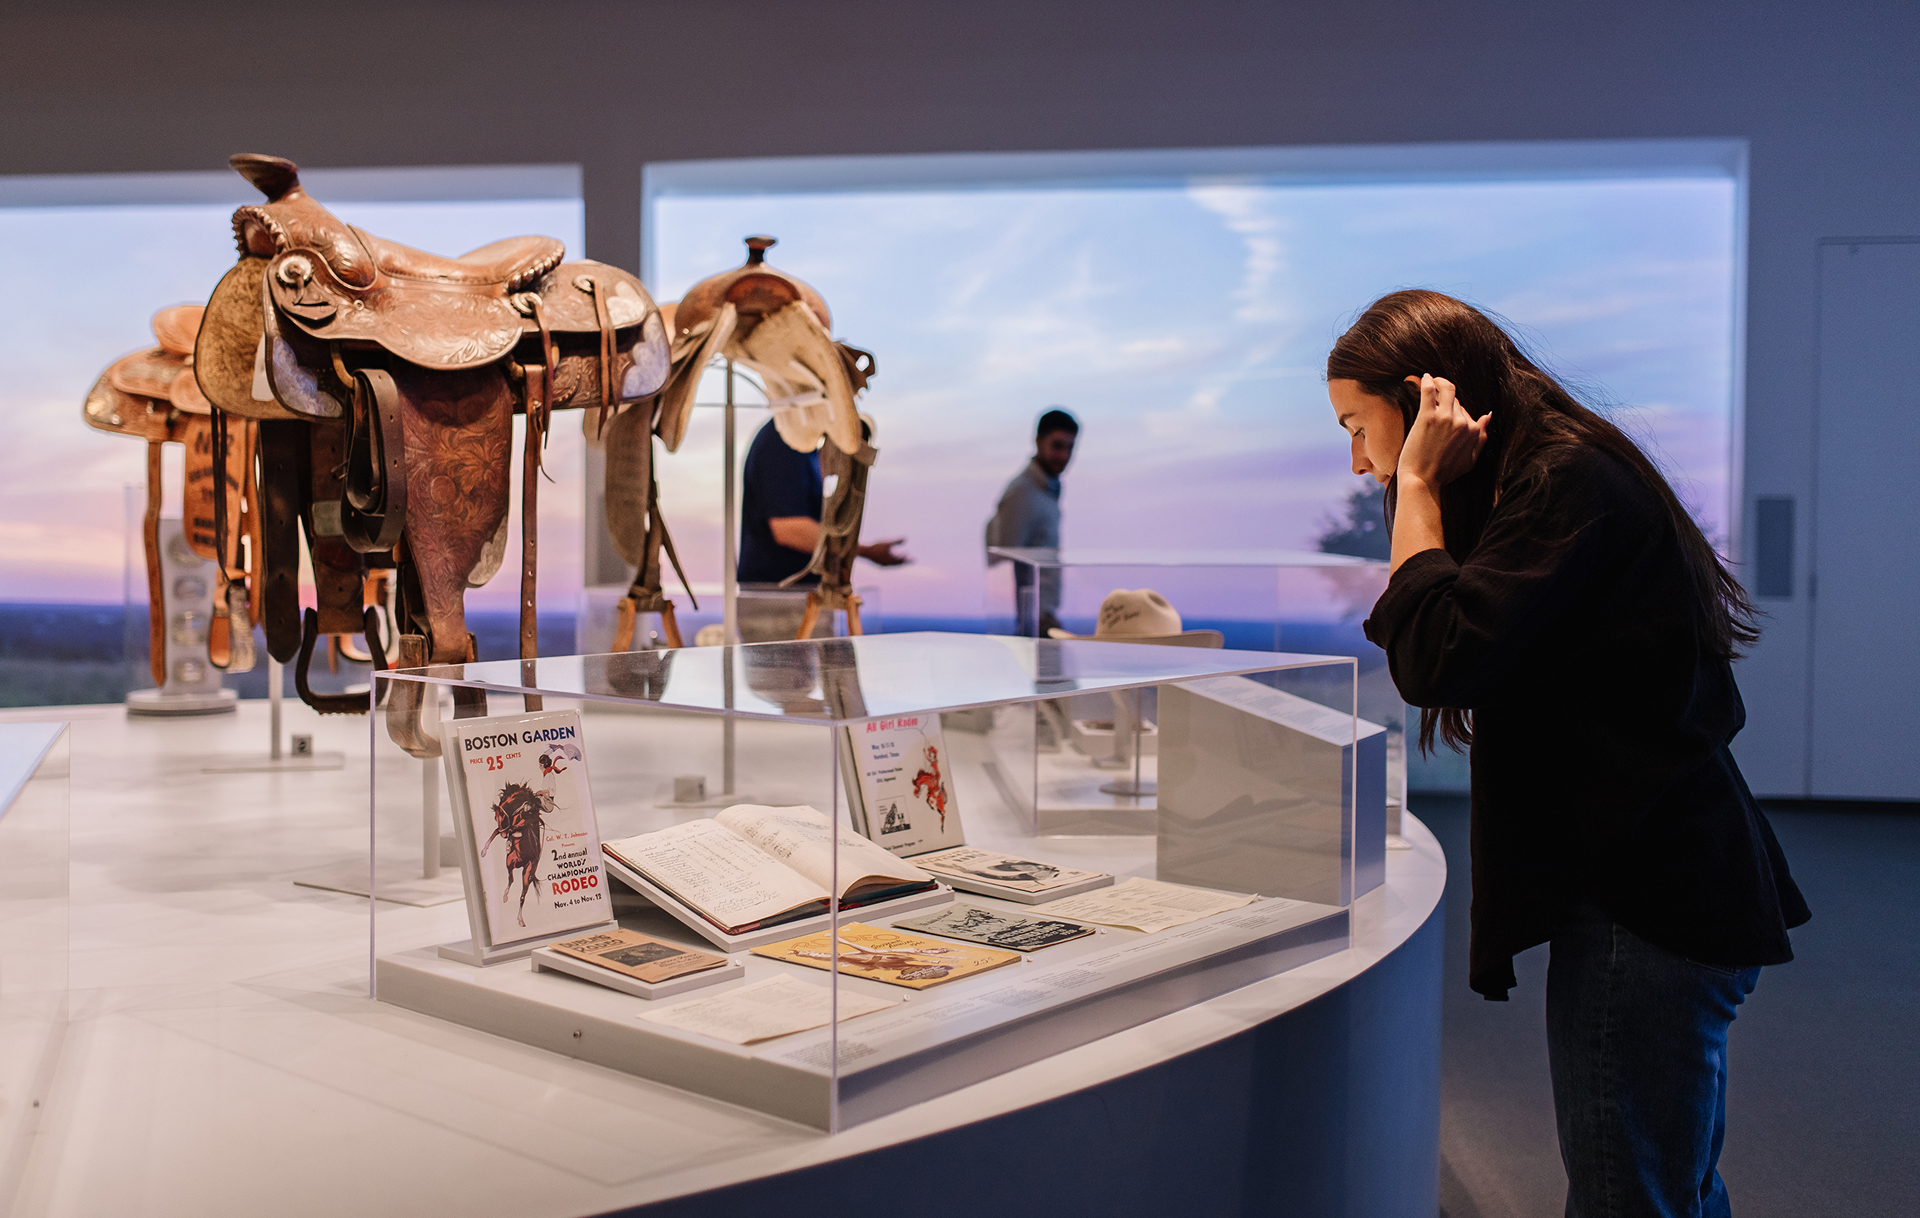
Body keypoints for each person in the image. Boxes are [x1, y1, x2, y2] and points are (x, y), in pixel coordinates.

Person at [1328, 289, 1808, 1218]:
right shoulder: (1549, 477)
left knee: (1631, 1197)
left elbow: (1439, 657)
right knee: (1667, 1186)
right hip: (1656, 881)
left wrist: (1418, 487)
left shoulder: (1564, 480)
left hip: (1651, 900)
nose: (1357, 461)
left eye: (1358, 428)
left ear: (1427, 401)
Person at [737, 418, 906, 640]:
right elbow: (789, 529)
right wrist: (864, 551)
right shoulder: (783, 440)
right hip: (781, 600)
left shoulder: (800, 446)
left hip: (793, 597)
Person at [985, 408, 1077, 635]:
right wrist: (1027, 622)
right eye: (1057, 445)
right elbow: (1002, 558)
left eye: (1069, 447)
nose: (1064, 455)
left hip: (1044, 617)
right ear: (1038, 441)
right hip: (1032, 623)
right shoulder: (1023, 491)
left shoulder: (1046, 490)